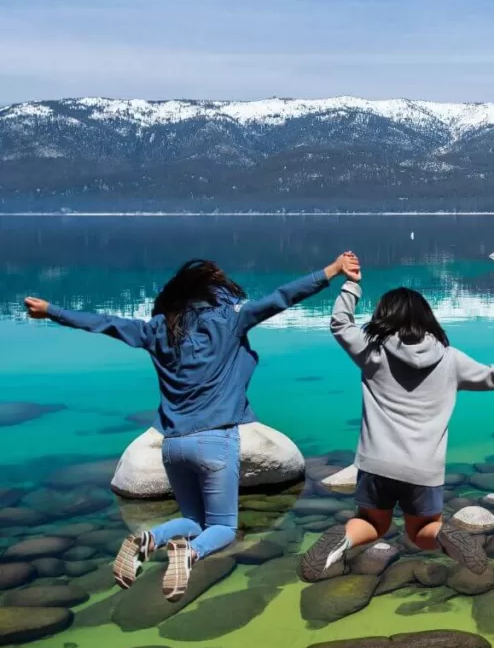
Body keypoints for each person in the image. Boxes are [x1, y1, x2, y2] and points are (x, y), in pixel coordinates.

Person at [24, 256, 347, 601]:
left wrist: (52, 310)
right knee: (222, 527)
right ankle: (189, 554)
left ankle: (150, 538)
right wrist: (331, 270)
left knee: (193, 520)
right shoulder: (229, 320)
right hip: (216, 440)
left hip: (172, 444)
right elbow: (283, 296)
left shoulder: (157, 329)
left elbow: (105, 323)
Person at [299, 252, 494, 581]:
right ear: (427, 318)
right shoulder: (450, 360)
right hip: (423, 468)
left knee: (372, 523)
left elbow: (340, 324)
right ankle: (442, 535)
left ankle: (344, 540)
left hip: (376, 462)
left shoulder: (373, 350)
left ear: (384, 317)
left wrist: (351, 286)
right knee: (422, 530)